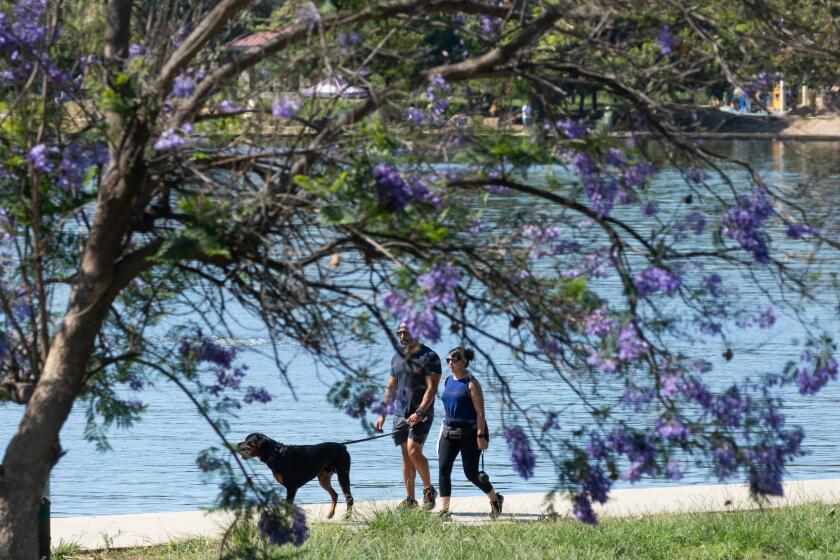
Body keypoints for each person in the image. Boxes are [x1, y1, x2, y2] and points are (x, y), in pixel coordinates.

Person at [374, 323, 442, 510]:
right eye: (399, 333)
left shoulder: (430, 357)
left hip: (422, 412)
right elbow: (390, 387)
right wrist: (382, 414)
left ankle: (428, 490)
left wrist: (419, 412)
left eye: (405, 332)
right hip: (400, 413)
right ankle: (410, 499)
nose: (402, 336)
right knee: (406, 456)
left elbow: (432, 388)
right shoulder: (397, 357)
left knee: (413, 451)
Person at [436, 346, 503, 518]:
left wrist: (481, 435)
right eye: (448, 360)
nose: (450, 363)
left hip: (470, 435)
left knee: (471, 474)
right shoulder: (448, 380)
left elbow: (480, 412)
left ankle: (495, 500)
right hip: (448, 433)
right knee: (443, 469)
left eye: (454, 360)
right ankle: (444, 510)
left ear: (464, 361)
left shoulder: (472, 383)